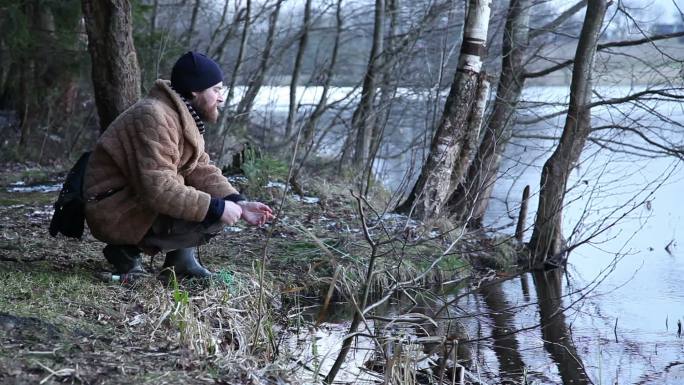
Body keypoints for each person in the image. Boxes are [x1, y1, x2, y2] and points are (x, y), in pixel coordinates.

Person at [83, 51, 273, 280]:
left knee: (215, 206)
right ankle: (125, 249)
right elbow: (159, 189)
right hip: (115, 210)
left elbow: (200, 168)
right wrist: (216, 207)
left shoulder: (179, 114)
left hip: (133, 200)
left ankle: (181, 262)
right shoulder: (153, 116)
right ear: (195, 90)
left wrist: (238, 202)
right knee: (211, 209)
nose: (221, 97)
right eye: (216, 89)